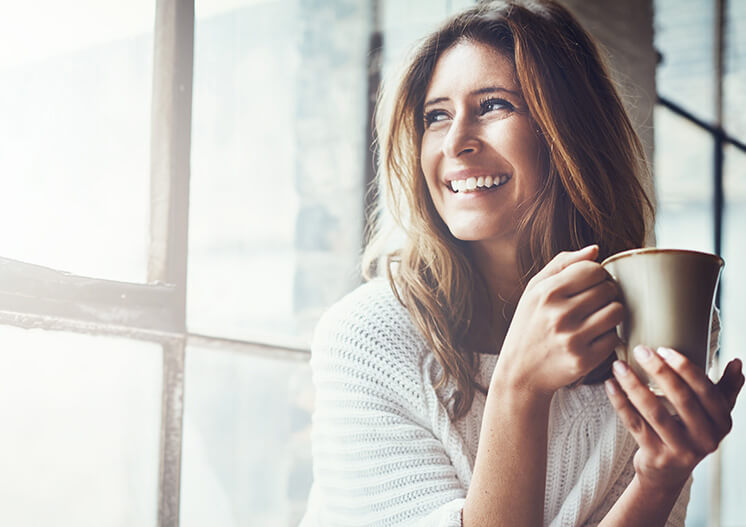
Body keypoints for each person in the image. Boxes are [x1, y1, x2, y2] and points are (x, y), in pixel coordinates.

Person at [299, 1, 744, 525]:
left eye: (493, 106)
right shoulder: (367, 337)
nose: (457, 142)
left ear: (569, 133)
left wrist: (659, 476)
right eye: (436, 116)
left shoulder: (651, 328)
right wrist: (519, 387)